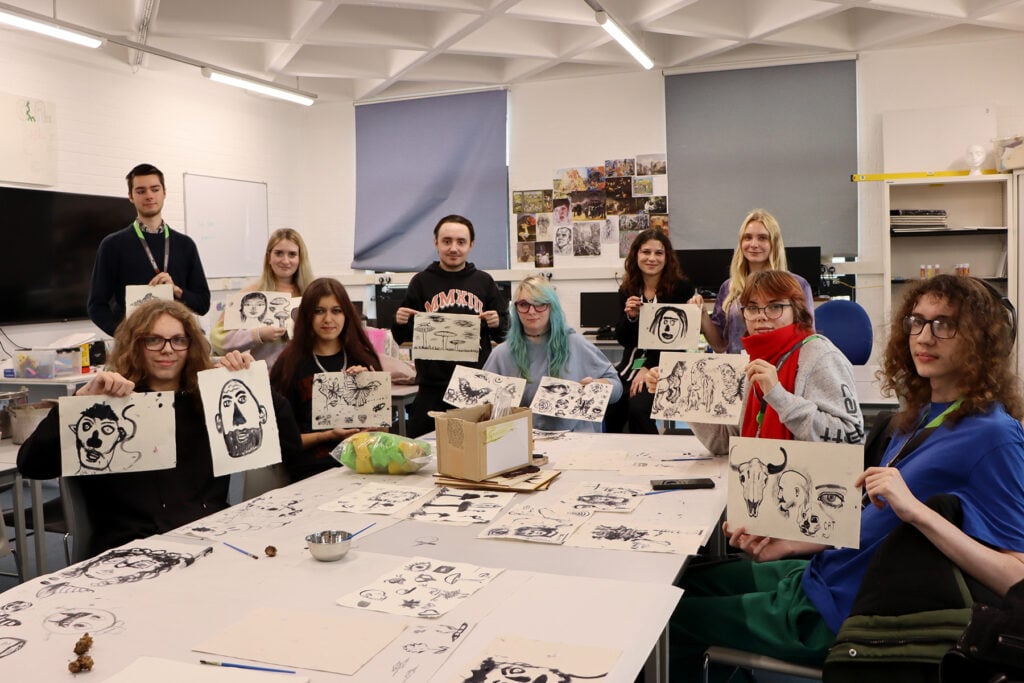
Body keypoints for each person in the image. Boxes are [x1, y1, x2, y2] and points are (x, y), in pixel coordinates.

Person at [667, 275, 1024, 677]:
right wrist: (793, 543)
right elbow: (872, 520)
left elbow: (1016, 577)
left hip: (839, 612)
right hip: (821, 573)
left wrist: (918, 512)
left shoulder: (995, 437)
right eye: (917, 322)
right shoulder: (921, 415)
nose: (924, 337)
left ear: (982, 339)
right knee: (680, 584)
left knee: (662, 618)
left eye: (945, 324)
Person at [17, 299, 302, 558]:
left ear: (191, 346)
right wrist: (78, 404)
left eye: (178, 340)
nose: (167, 349)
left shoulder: (209, 402)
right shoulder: (109, 408)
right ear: (135, 345)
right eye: (154, 340)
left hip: (210, 539)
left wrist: (252, 384)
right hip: (133, 549)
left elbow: (290, 446)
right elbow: (32, 464)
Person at [648, 270, 863, 453]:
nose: (761, 316)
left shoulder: (820, 356)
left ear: (797, 310)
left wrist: (778, 396)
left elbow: (851, 438)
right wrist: (681, 395)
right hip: (754, 477)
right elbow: (725, 442)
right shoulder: (753, 359)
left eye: (774, 306)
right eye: (752, 308)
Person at [391, 215, 509, 437]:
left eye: (461, 242)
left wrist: (498, 322)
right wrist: (399, 321)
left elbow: (504, 335)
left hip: (475, 386)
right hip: (431, 388)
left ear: (471, 244)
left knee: (475, 447)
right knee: (423, 447)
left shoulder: (484, 282)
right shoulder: (421, 282)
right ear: (436, 243)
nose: (453, 248)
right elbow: (402, 337)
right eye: (447, 241)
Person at [270, 277, 384, 481]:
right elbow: (281, 440)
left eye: (336, 311)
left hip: (363, 466)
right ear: (307, 316)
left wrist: (370, 390)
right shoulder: (289, 365)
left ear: (346, 314)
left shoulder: (363, 359)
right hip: (313, 472)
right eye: (319, 311)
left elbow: (383, 431)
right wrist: (327, 435)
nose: (328, 319)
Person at [484, 275, 622, 433]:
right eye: (524, 304)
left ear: (551, 307)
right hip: (522, 439)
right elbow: (482, 407)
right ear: (516, 309)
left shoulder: (576, 344)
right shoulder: (501, 354)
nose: (531, 311)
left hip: (576, 440)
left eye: (539, 304)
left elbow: (617, 388)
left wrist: (598, 386)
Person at [87, 164, 211, 337]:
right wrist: (125, 337)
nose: (149, 196)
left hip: (177, 343)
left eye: (155, 189)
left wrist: (176, 291)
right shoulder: (113, 245)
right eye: (141, 191)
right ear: (131, 196)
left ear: (164, 192)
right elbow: (96, 306)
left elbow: (203, 304)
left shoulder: (185, 245)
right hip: (134, 346)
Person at [606, 229, 695, 434]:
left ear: (667, 257)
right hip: (632, 364)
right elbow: (624, 339)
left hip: (666, 365)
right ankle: (617, 451)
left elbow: (677, 341)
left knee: (638, 408)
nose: (652, 258)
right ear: (636, 255)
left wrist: (648, 368)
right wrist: (631, 317)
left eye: (658, 253)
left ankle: (649, 452)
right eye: (646, 252)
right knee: (612, 405)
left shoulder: (682, 288)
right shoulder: (628, 289)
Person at [692, 209, 814, 354]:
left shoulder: (797, 284)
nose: (754, 244)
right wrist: (703, 315)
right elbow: (719, 346)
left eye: (762, 238)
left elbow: (807, 340)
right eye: (748, 237)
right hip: (740, 366)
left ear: (774, 243)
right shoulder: (729, 287)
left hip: (780, 364)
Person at [209, 228, 314, 367]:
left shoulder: (312, 294)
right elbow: (217, 339)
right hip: (265, 375)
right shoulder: (250, 295)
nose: (285, 260)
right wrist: (256, 335)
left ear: (300, 258)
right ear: (268, 257)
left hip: (305, 373)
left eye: (292, 254)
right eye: (279, 253)